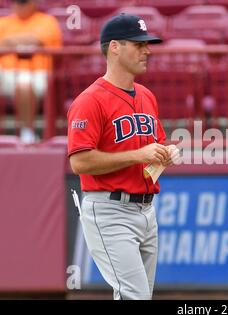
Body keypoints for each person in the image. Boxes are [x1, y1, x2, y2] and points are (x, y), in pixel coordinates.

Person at [67, 13, 176, 300]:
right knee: (135, 296)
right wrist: (138, 154)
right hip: (109, 209)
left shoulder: (146, 96)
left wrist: (165, 153)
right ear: (114, 47)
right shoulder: (90, 101)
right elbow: (79, 162)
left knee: (138, 296)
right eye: (138, 44)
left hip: (147, 210)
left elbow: (155, 145)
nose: (147, 50)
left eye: (147, 44)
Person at [0, 0, 62, 143]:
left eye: (24, 2)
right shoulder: (3, 22)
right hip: (5, 71)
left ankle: (27, 132)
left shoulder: (47, 21)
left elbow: (38, 40)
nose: (20, 5)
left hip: (37, 73)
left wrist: (8, 42)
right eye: (17, 2)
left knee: (24, 85)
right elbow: (33, 40)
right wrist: (27, 41)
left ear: (33, 3)